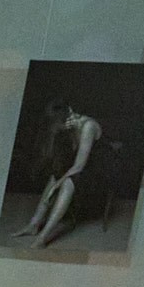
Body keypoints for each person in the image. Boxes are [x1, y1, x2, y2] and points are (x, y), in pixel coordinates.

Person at [12, 99, 113, 248]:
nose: (57, 127)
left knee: (67, 182)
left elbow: (79, 165)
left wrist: (57, 186)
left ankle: (43, 237)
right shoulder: (66, 126)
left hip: (100, 170)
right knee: (54, 176)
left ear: (70, 112)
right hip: (84, 165)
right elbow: (62, 154)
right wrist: (55, 182)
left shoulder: (88, 126)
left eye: (58, 124)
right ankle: (34, 224)